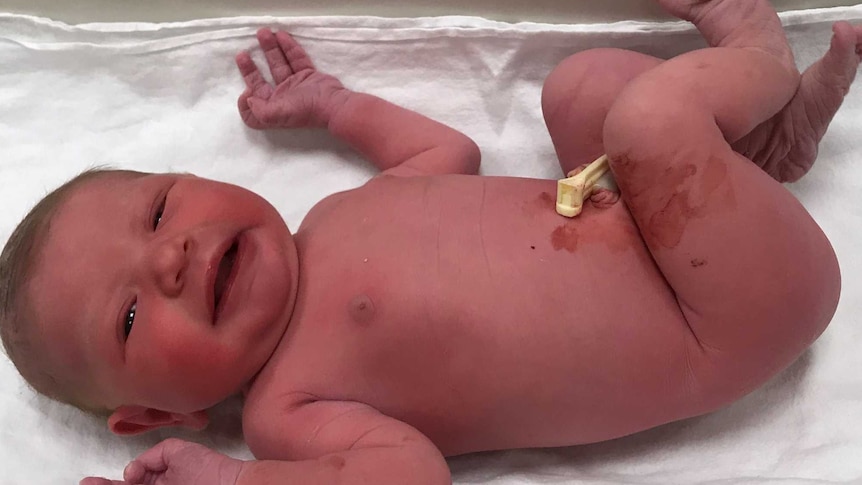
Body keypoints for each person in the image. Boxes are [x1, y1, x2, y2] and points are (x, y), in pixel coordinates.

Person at [0, 0, 856, 483]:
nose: (169, 257)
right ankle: (758, 51)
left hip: (673, 229)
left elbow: (445, 155)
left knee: (581, 89)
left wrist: (333, 105)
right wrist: (227, 479)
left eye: (156, 213)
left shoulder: (334, 214)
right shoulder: (284, 409)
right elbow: (405, 475)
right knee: (648, 118)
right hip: (722, 319)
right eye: (130, 315)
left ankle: (763, 154)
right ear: (156, 415)